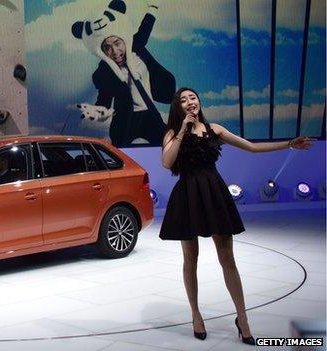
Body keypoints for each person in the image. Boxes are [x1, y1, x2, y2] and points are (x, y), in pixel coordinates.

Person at [159, 87, 314, 344]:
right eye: (183, 100)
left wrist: (288, 144)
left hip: (214, 193)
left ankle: (242, 318)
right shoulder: (173, 133)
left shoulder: (215, 129)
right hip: (188, 195)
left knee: (227, 257)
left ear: (199, 101)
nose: (190, 102)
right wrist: (184, 130)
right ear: (177, 107)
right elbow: (167, 162)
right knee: (191, 258)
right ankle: (196, 314)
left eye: (193, 98)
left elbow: (251, 147)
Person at [92, 8, 175, 147]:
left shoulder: (137, 45)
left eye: (117, 43)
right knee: (120, 152)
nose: (115, 52)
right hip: (124, 119)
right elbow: (104, 96)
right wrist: (99, 111)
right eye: (107, 48)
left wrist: (153, 8)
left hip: (149, 114)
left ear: (125, 41)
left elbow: (146, 27)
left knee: (167, 146)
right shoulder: (104, 70)